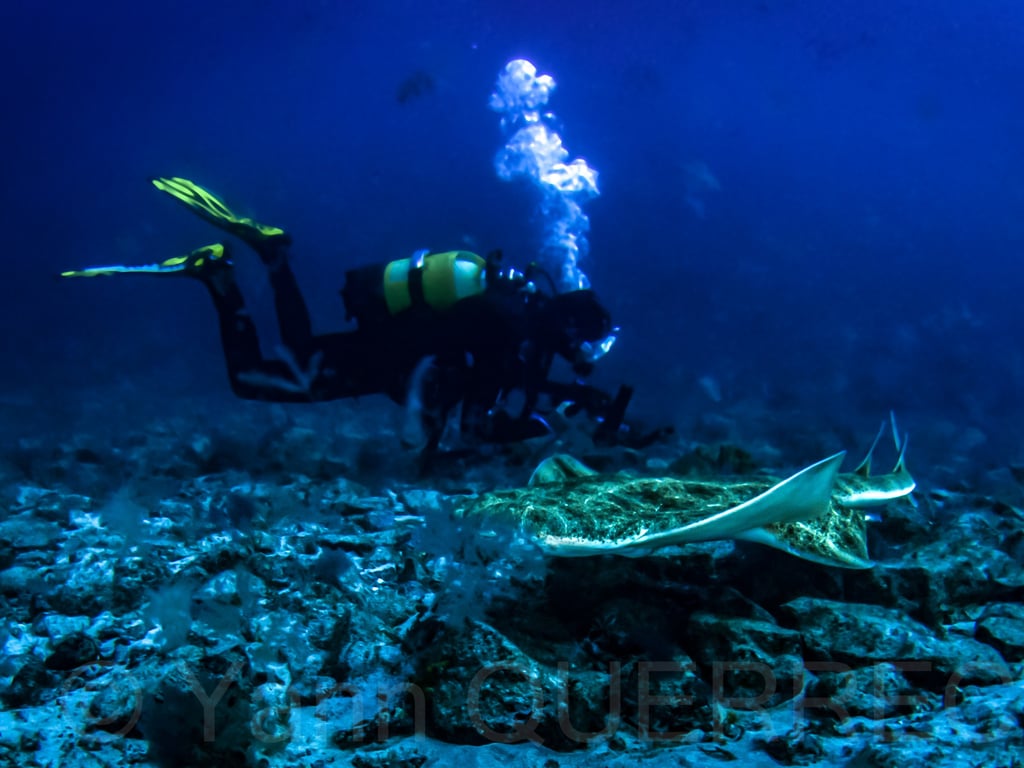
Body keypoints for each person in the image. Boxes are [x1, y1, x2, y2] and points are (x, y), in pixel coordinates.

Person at [62, 177, 631, 452]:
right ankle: (223, 276)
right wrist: (537, 426)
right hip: (380, 361)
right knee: (252, 379)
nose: (585, 357)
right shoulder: (514, 330)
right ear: (572, 328)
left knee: (299, 349)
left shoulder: (514, 309)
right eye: (590, 345)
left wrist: (571, 402)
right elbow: (479, 421)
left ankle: (269, 260)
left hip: (384, 347)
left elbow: (500, 379)